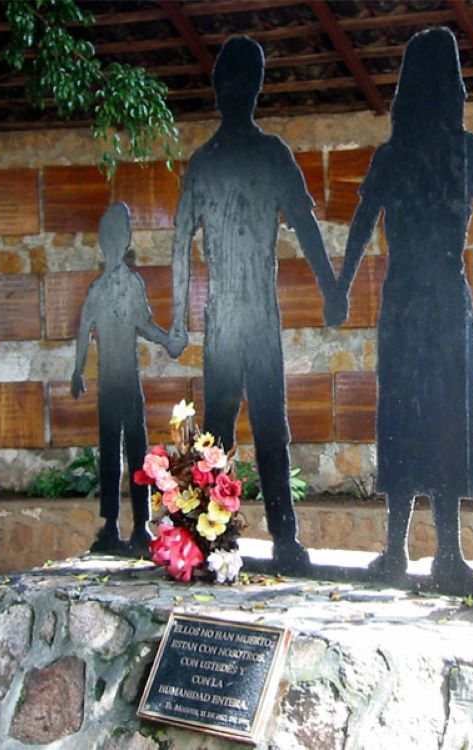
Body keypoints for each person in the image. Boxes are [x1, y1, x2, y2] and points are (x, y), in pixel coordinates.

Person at [329, 28, 473, 593]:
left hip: (406, 299)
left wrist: (341, 287)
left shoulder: (395, 154)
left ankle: (400, 549)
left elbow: (360, 227)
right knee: (440, 415)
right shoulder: (468, 152)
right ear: (453, 86)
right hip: (444, 299)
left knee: (408, 414)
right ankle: (442, 552)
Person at [167, 36, 339, 575]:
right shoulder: (230, 159)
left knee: (264, 427)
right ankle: (220, 539)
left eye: (238, 84)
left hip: (250, 317)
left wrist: (331, 288)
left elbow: (305, 224)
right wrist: (178, 316)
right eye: (230, 83)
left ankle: (277, 537)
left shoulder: (263, 155)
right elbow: (179, 245)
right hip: (234, 318)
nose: (233, 92)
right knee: (227, 432)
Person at [71, 202, 173, 555]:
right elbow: (136, 327)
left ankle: (134, 525)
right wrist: (170, 339)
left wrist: (78, 372)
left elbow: (88, 329)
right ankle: (121, 525)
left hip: (119, 384)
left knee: (127, 455)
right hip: (120, 385)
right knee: (123, 455)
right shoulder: (120, 285)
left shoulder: (110, 286)